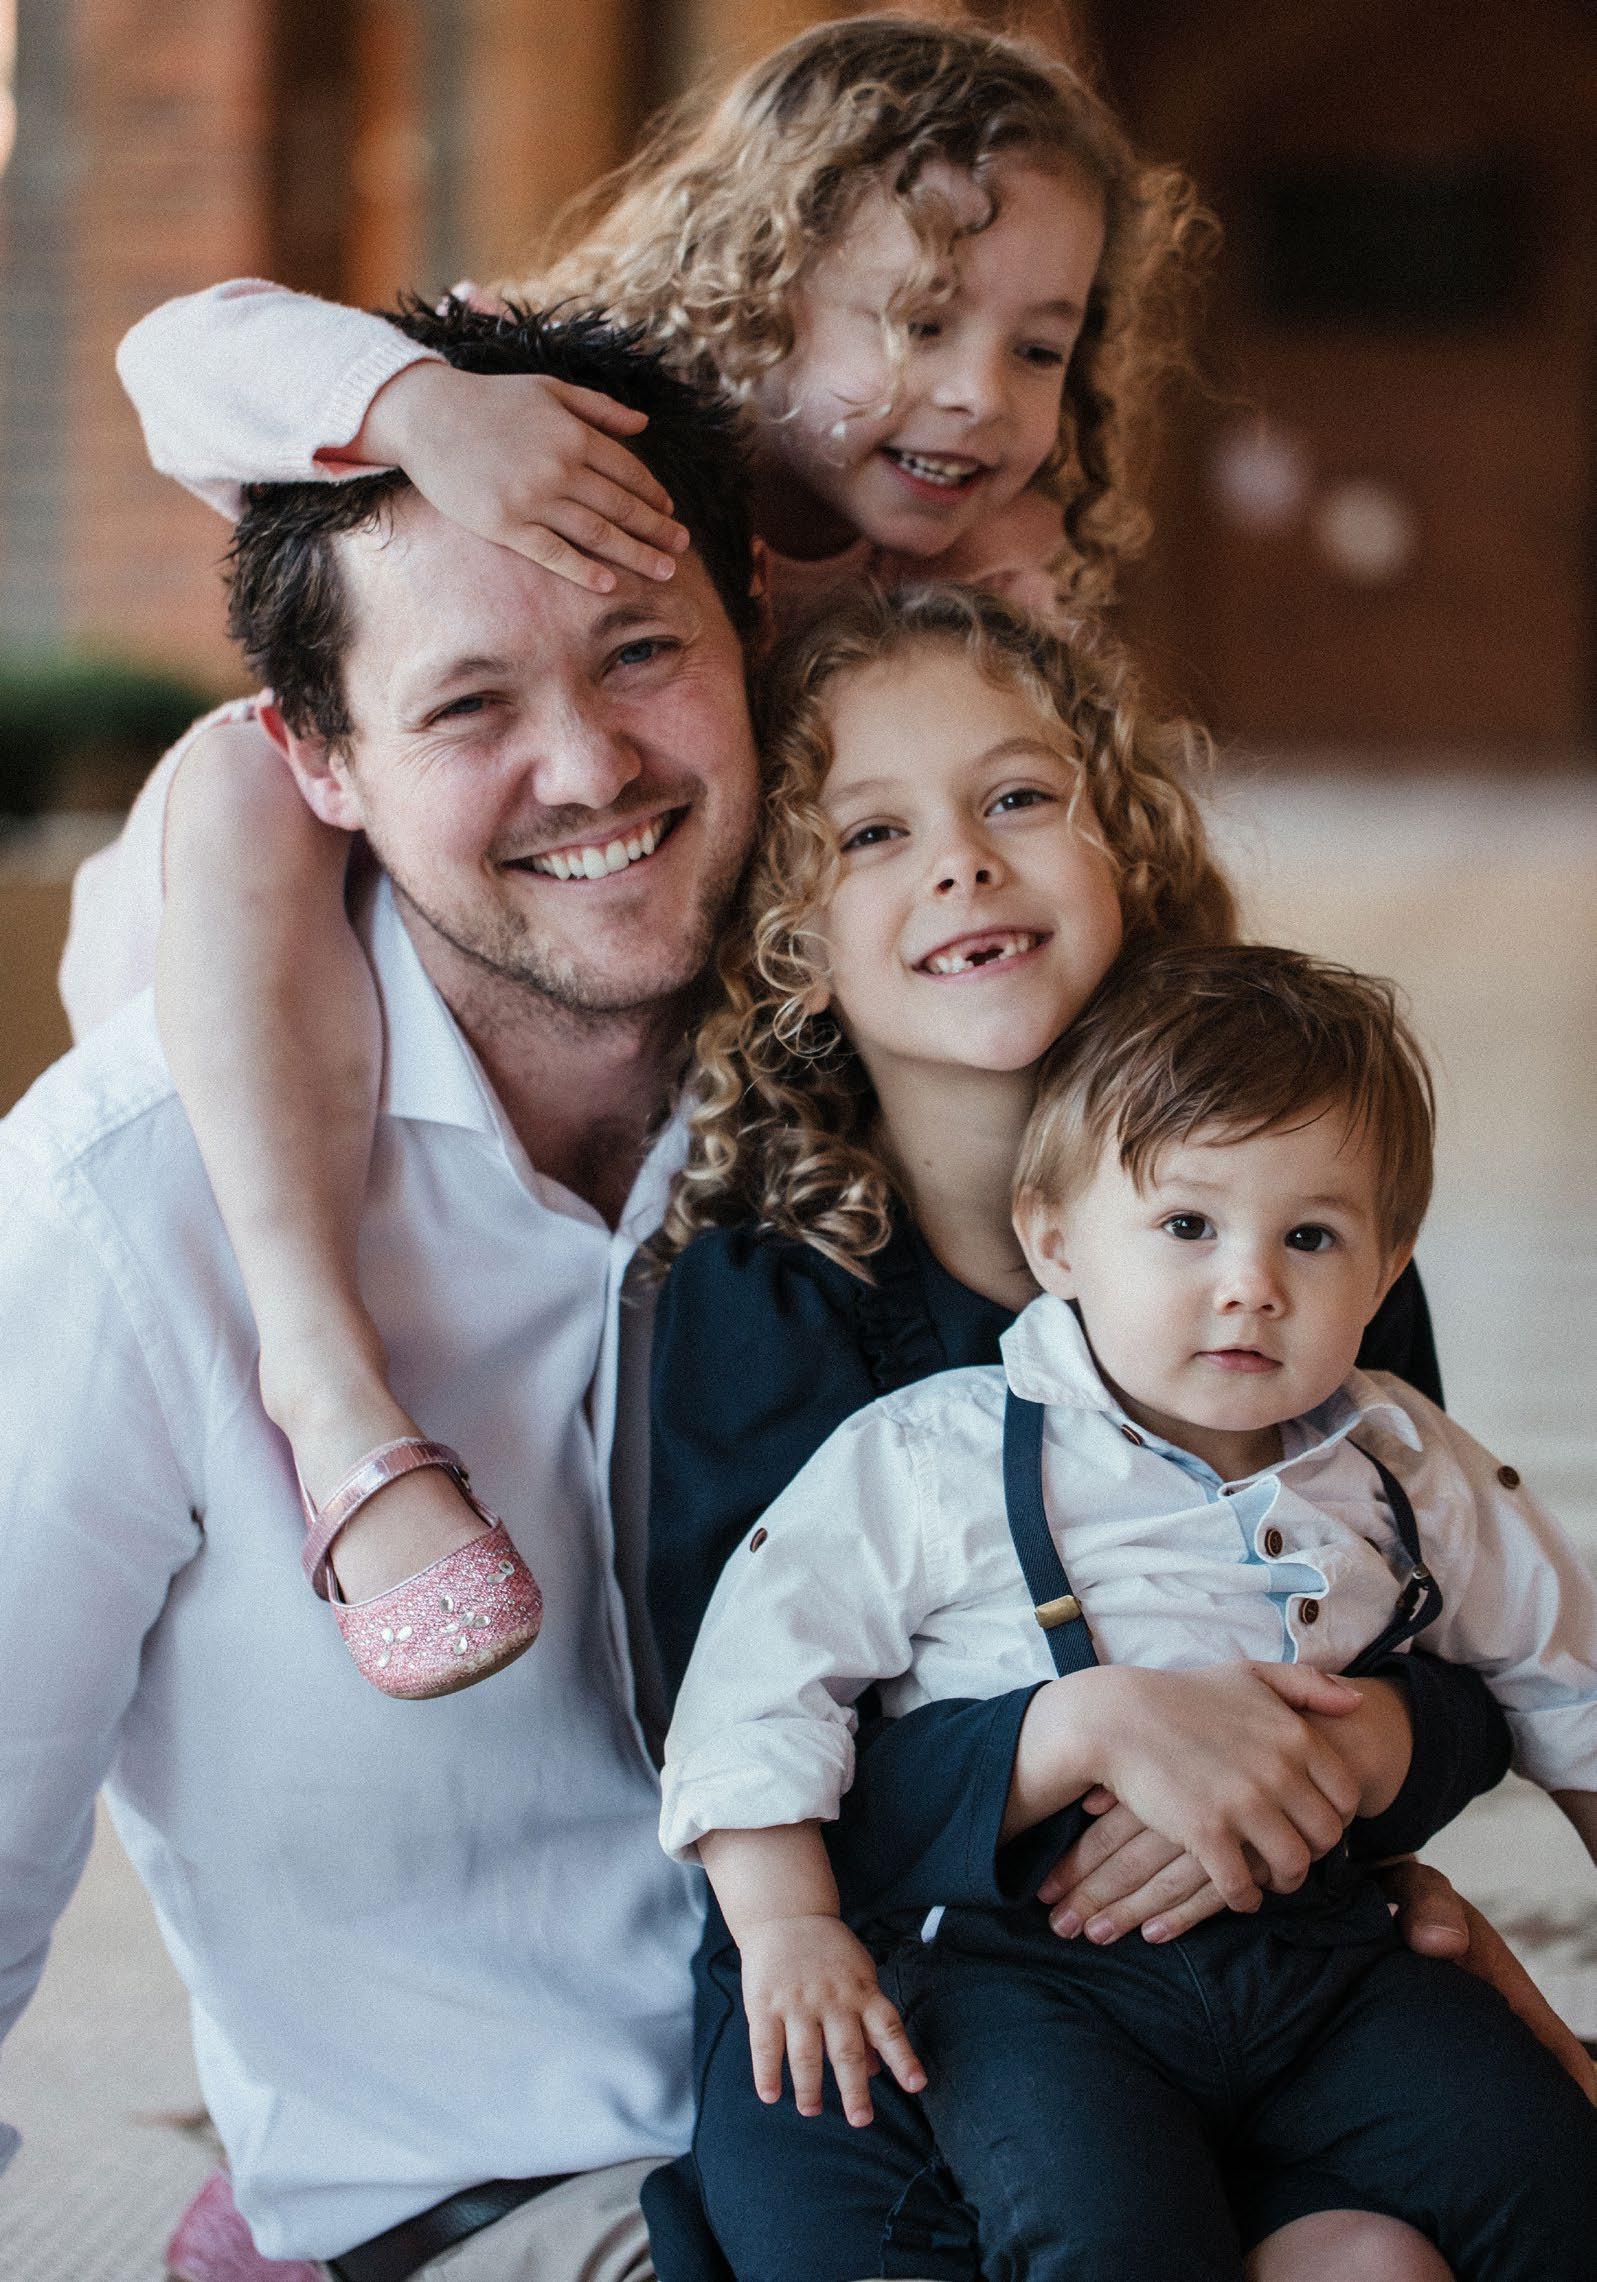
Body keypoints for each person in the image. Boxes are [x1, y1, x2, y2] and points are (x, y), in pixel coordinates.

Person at [85, 15, 1213, 1672]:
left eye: (1039, 346)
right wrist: (423, 411)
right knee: (236, 770)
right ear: (761, 285)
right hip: (241, 950)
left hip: (648, 1016)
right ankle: (319, 1368)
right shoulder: (571, 400)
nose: (980, 392)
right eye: (919, 320)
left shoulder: (977, 561)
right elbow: (176, 359)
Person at [639, 583, 1588, 2282]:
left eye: (1016, 797)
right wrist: (1079, 1736)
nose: (961, 863)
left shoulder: (1303, 1239)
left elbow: (1445, 1620)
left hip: (1276, 1934)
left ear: (1125, 848)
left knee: (1507, 2154)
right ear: (787, 928)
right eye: (872, 831)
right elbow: (731, 1730)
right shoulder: (759, 1303)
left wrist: (1374, 1747)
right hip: (888, 1957)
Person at [2, 299, 772, 2279]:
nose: (587, 765)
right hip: (496, 2205)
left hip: (994, 2120)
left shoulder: (900, 1095)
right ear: (315, 758)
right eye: (465, 708)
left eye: (640, 651)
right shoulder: (129, 1204)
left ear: (749, 637)